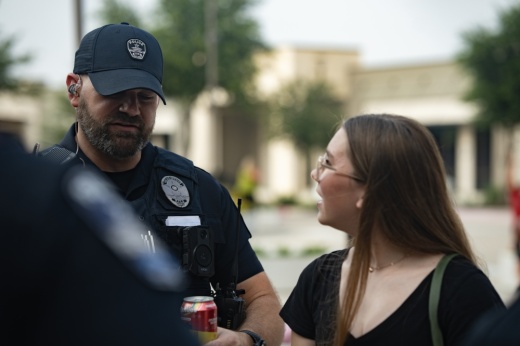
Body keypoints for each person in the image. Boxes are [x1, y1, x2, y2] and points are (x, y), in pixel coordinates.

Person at [37, 22, 283, 346]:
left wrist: (246, 339)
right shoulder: (31, 190)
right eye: (115, 92)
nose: (131, 109)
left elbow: (264, 300)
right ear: (74, 89)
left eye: (145, 96)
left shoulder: (199, 190)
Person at [279, 113, 506, 345]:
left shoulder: (462, 291)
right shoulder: (319, 278)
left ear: (368, 191)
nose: (315, 174)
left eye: (327, 163)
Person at [1, 131, 199, 345]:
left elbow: (241, 287)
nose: (130, 108)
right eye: (113, 97)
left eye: (144, 97)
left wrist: (241, 337)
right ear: (74, 96)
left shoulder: (194, 183)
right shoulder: (53, 189)